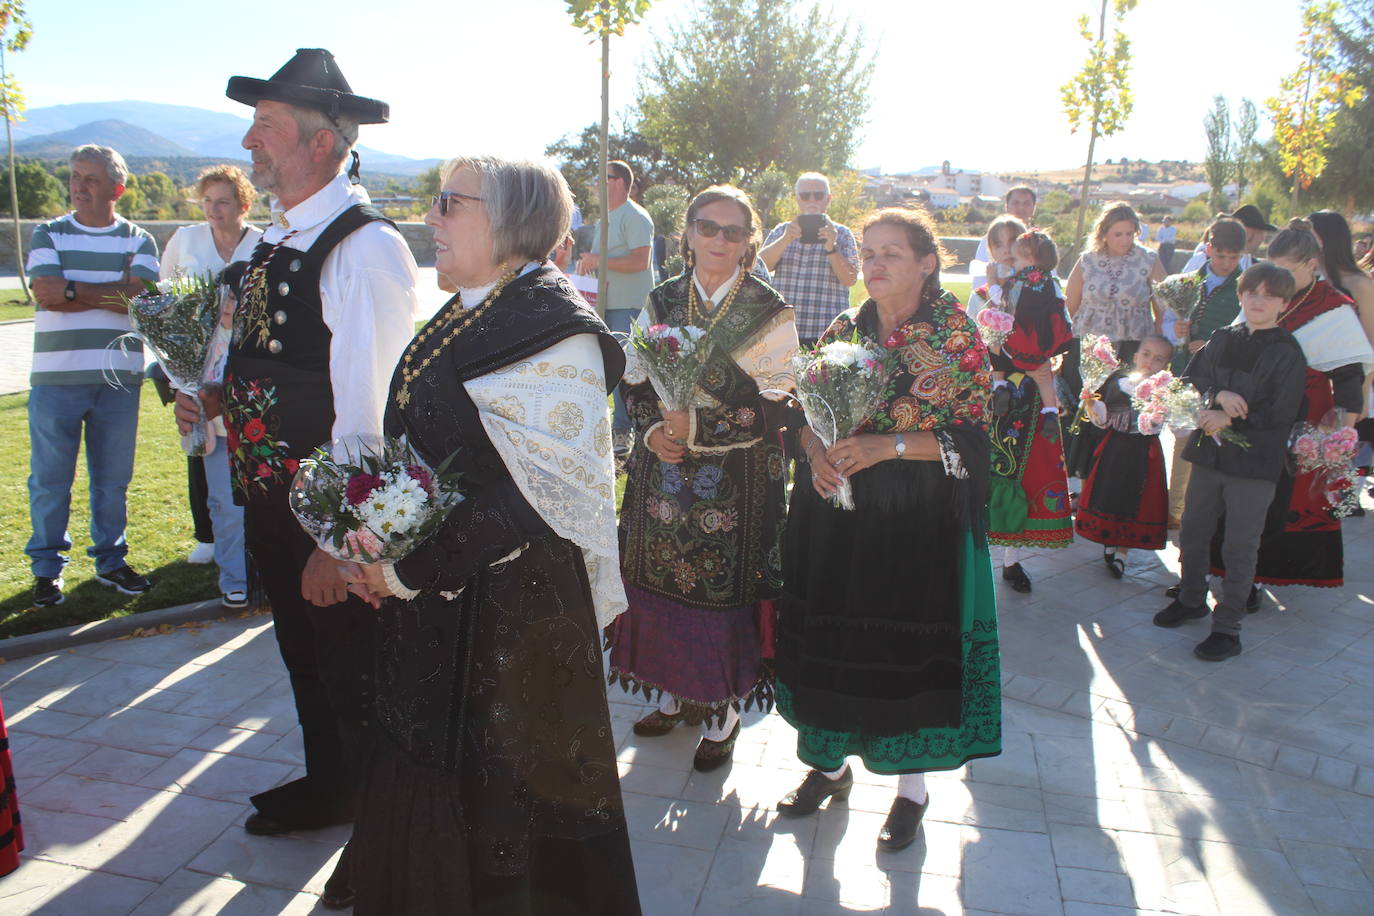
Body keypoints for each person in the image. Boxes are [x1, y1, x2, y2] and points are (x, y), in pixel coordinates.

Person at [334, 156, 640, 915]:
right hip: (445, 600)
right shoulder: (471, 306)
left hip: (514, 613)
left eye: (450, 203)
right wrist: (379, 537)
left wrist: (409, 570)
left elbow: (541, 494)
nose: (431, 218)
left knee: (504, 796)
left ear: (511, 220)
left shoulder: (550, 328)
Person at [175, 51, 420, 870]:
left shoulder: (364, 248)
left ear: (320, 143)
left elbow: (372, 414)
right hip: (271, 504)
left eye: (266, 126)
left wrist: (338, 542)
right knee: (308, 662)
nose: (250, 141)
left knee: (358, 674)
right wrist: (217, 397)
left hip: (326, 521)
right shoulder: (277, 239)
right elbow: (279, 362)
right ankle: (334, 787)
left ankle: (383, 841)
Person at [775, 205, 999, 852]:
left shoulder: (955, 337)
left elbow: (974, 441)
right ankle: (827, 767)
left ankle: (911, 792)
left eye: (890, 253)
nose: (874, 264)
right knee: (832, 638)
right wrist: (815, 453)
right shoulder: (846, 327)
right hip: (837, 517)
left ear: (928, 263)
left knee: (902, 652)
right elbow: (802, 410)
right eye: (868, 252)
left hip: (915, 525)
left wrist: (888, 447)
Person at [609, 185, 799, 771]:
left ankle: (722, 710)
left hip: (737, 479)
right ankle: (670, 692)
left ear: (748, 242)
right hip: (662, 473)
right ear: (688, 234)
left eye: (733, 231)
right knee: (660, 581)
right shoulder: (662, 298)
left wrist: (697, 426)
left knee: (719, 593)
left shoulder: (768, 310)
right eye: (707, 227)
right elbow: (634, 377)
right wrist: (651, 432)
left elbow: (780, 400)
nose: (719, 239)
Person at [25, 144, 159, 608]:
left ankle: (111, 561)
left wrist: (72, 289)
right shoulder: (48, 232)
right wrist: (111, 291)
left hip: (119, 380)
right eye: (75, 177)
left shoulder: (139, 239)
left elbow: (138, 299)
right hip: (55, 378)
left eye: (91, 179)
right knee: (49, 481)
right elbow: (45, 293)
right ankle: (46, 570)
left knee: (113, 480)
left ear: (116, 190)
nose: (79, 187)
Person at [1154, 263, 1307, 661]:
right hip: (1210, 454)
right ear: (1241, 295)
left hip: (1254, 464)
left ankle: (1227, 628)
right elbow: (1189, 382)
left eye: (1269, 296)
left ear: (1284, 304)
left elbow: (1283, 411)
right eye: (1252, 293)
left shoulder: (1288, 351)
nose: (1258, 301)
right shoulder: (1222, 337)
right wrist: (1216, 397)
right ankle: (1191, 599)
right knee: (1192, 529)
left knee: (1240, 544)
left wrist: (1233, 419)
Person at [1212, 221, 1372, 590]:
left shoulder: (1335, 308)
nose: (1277, 278)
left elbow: (1349, 375)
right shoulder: (1264, 295)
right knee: (1241, 492)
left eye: (1287, 270)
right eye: (1273, 267)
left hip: (1306, 416)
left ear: (1312, 264)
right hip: (1252, 409)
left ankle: (1261, 576)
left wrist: (1342, 430)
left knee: (1285, 496)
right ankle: (1229, 570)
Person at [160, 165, 263, 608]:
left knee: (264, 489)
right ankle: (233, 576)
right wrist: (180, 380)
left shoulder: (265, 244)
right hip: (201, 381)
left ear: (243, 205)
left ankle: (266, 572)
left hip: (256, 384)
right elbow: (165, 308)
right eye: (207, 201)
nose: (213, 210)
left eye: (222, 201)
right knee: (222, 494)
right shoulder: (186, 241)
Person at [984, 230, 1076, 592]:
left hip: (1024, 389)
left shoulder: (1015, 287)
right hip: (1015, 386)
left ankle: (1011, 558)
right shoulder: (1017, 287)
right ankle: (980, 550)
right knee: (992, 466)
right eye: (1004, 248)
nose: (1012, 257)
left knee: (1024, 470)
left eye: (1017, 252)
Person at [1063, 201, 1166, 482]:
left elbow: (1163, 305)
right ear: (1104, 233)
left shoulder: (1148, 259)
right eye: (1117, 234)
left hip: (1132, 347)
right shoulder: (1087, 260)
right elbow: (1070, 304)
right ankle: (1081, 479)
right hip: (1090, 348)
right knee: (1088, 408)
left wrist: (1158, 345)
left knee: (1122, 410)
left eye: (1129, 233)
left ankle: (1116, 475)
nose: (1124, 240)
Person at [1164, 217, 1248, 528]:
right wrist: (1175, 330)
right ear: (1208, 248)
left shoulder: (1245, 286)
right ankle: (1175, 508)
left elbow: (1245, 332)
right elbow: (1165, 324)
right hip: (1185, 371)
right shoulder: (1186, 281)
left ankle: (1207, 509)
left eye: (1233, 257)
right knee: (1184, 438)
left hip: (1222, 376)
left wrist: (1212, 344)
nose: (1226, 263)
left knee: (1215, 438)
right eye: (1221, 255)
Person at [1075, 335, 1173, 576]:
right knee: (1112, 494)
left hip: (1145, 452)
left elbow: (1163, 424)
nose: (1150, 361)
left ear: (1166, 366)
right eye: (1146, 354)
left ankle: (1122, 552)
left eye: (1158, 359)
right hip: (1116, 448)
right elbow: (1103, 419)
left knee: (1135, 499)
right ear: (1136, 356)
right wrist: (1091, 403)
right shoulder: (1119, 383)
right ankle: (1110, 542)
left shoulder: (1164, 392)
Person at [576, 159, 656, 455]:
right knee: (604, 369)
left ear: (620, 182)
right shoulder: (605, 220)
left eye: (604, 178)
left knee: (625, 369)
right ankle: (606, 429)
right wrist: (589, 264)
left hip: (629, 307)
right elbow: (605, 262)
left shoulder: (635, 216)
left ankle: (623, 432)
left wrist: (599, 261)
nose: (598, 183)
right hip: (604, 307)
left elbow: (641, 261)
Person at [758, 171, 859, 347]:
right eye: (805, 196)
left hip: (827, 333)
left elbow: (849, 279)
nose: (812, 200)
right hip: (783, 331)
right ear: (797, 199)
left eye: (818, 195)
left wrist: (832, 247)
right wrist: (785, 239)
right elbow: (759, 268)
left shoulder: (842, 234)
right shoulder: (782, 231)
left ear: (828, 199)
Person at [970, 185, 1036, 288]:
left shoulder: (1039, 241)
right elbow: (979, 281)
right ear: (1006, 206)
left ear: (1034, 208)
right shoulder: (991, 238)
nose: (1021, 208)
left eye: (1026, 203)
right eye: (1016, 203)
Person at [1181, 204, 1274, 274]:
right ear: (1248, 233)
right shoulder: (1203, 259)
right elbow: (1183, 288)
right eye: (1261, 233)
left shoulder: (1254, 267)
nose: (1262, 239)